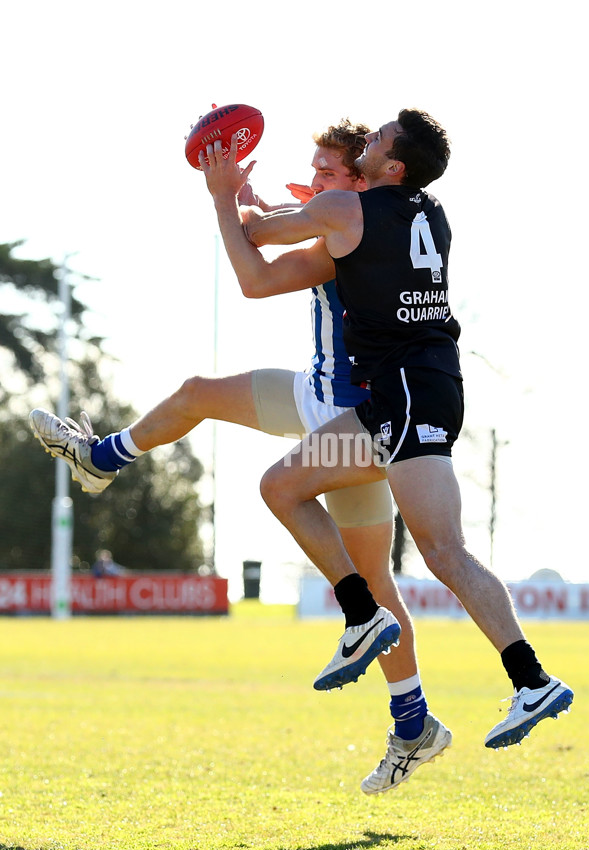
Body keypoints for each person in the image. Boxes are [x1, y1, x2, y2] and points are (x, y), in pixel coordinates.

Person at [29, 120, 451, 795]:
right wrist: (253, 201)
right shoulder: (356, 222)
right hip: (314, 397)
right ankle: (104, 457)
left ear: (361, 182)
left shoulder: (348, 239)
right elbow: (282, 224)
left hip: (354, 424)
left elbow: (254, 274)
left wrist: (228, 199)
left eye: (325, 172)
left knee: (375, 586)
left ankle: (411, 716)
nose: (313, 181)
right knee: (197, 392)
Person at [230, 107, 574, 753]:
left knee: (444, 552)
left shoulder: (350, 213)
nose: (369, 139)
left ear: (394, 166)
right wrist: (312, 200)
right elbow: (349, 226)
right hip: (414, 393)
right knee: (283, 486)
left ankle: (514, 674)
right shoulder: (430, 212)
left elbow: (259, 235)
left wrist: (226, 194)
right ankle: (376, 620)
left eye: (380, 138)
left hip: (407, 397)